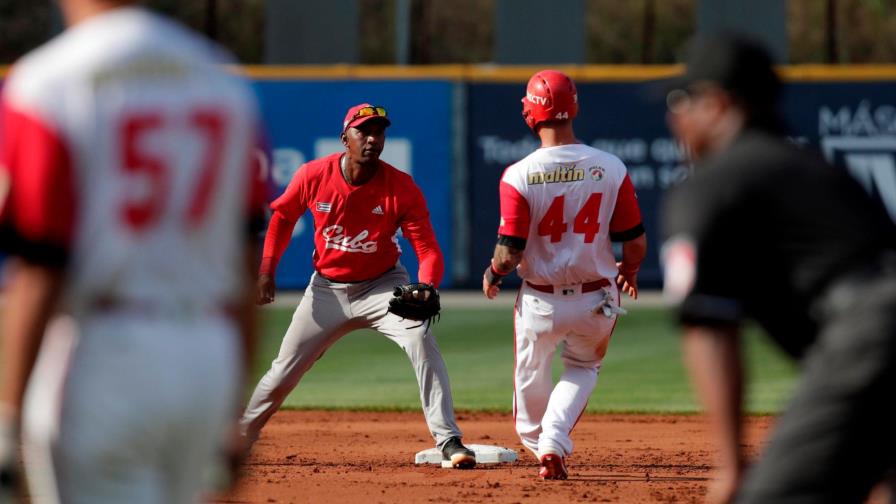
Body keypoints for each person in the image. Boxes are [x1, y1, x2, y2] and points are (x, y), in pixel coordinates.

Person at [0, 0, 266, 502]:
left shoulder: (47, 82)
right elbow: (242, 259)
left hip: (102, 353)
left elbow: (39, 266)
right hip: (204, 354)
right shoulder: (218, 78)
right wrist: (233, 405)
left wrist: (7, 418)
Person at [661, 33, 896, 503]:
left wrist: (731, 468)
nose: (674, 117)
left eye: (680, 100)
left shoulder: (710, 186)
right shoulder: (818, 169)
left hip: (873, 332)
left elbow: (709, 327)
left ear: (717, 103)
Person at [241, 103, 476, 469]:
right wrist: (267, 269)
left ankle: (448, 439)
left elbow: (427, 249)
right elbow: (283, 217)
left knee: (420, 338)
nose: (372, 139)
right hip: (327, 290)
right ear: (344, 138)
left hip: (383, 287)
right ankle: (240, 437)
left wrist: (426, 284)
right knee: (284, 371)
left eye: (378, 132)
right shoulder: (313, 175)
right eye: (363, 131)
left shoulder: (401, 187)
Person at [481, 70, 647, 480]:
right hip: (597, 298)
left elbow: (509, 252)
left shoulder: (519, 174)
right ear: (574, 108)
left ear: (530, 113)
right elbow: (635, 240)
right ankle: (553, 441)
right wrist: (630, 269)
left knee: (530, 375)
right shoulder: (610, 166)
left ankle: (540, 443)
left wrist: (494, 272)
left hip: (541, 300)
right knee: (583, 368)